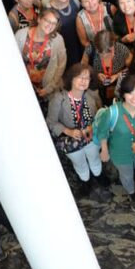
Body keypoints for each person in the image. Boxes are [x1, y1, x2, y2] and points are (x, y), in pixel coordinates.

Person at [47, 63, 109, 200]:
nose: (83, 81)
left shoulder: (92, 95)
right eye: (80, 77)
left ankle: (98, 176)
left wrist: (92, 127)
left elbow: (101, 115)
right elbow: (51, 122)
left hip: (91, 136)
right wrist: (68, 131)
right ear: (71, 79)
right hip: (72, 141)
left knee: (94, 159)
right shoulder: (59, 98)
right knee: (80, 163)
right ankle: (85, 181)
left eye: (87, 78)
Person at [93, 75, 135, 204]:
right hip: (121, 152)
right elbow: (102, 132)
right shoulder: (112, 112)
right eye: (130, 93)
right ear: (123, 94)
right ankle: (131, 193)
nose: (134, 97)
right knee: (126, 175)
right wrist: (104, 150)